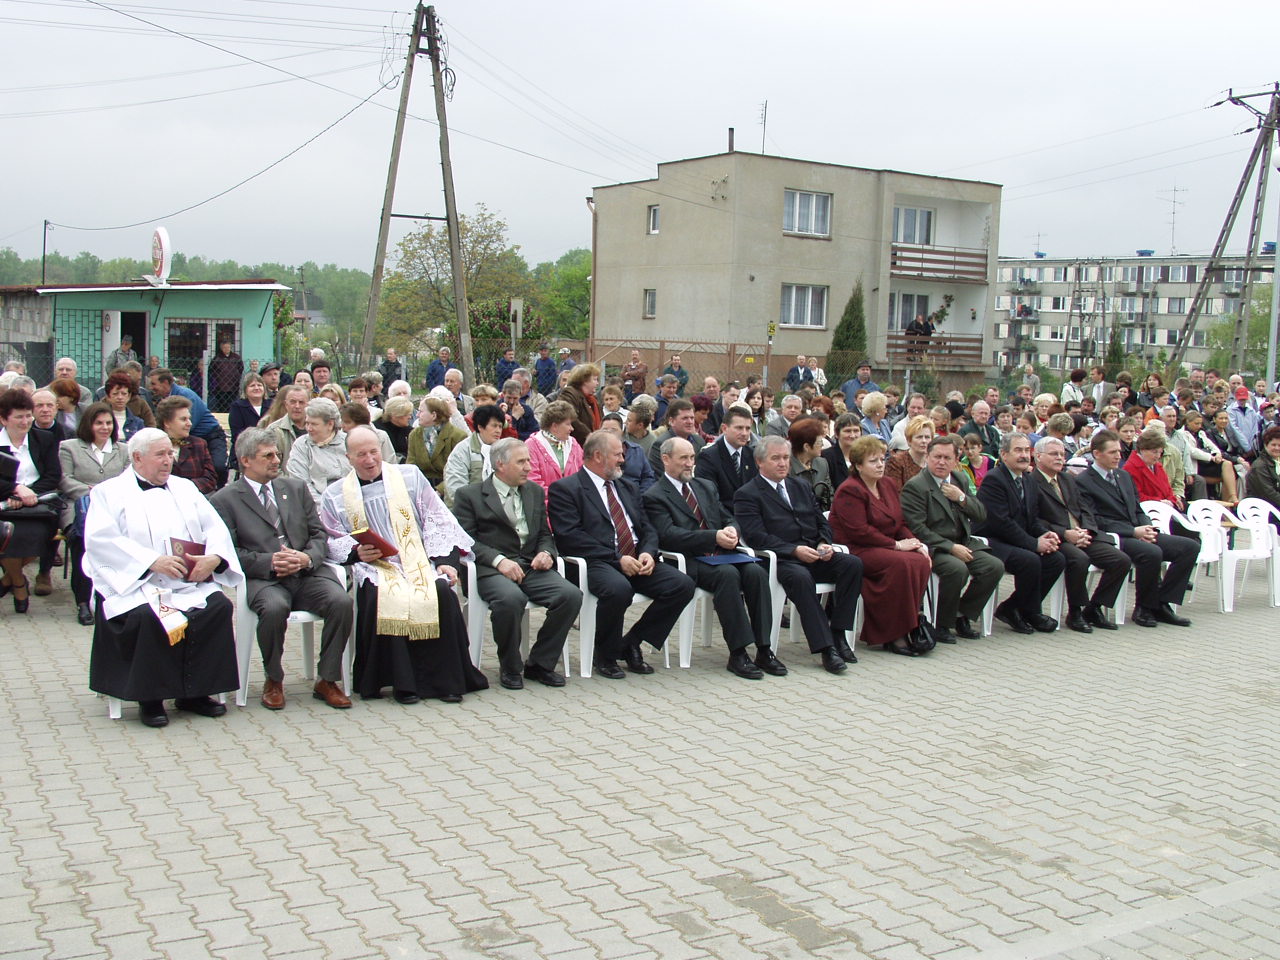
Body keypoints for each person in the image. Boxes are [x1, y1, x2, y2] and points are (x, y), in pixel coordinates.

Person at [84, 428, 242, 727]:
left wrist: (214, 558)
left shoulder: (185, 488)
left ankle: (195, 693)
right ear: (138, 458)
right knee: (146, 617)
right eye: (161, 454)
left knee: (218, 607)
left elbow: (215, 528)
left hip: (185, 582)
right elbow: (100, 540)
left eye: (170, 453)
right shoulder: (109, 492)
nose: (169, 460)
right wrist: (151, 562)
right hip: (138, 584)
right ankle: (150, 698)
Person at [320, 427, 486, 704]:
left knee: (442, 594)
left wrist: (445, 562)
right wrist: (356, 552)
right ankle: (402, 683)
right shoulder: (336, 494)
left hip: (417, 559)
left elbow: (437, 519)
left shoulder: (410, 477)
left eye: (374, 452)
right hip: (376, 566)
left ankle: (446, 681)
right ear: (349, 457)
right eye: (361, 454)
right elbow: (331, 537)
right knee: (382, 596)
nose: (370, 459)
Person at [211, 429, 354, 710]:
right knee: (274, 608)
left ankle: (327, 679)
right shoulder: (224, 500)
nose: (277, 460)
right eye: (268, 456)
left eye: (277, 453)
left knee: (341, 602)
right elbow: (228, 552)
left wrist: (305, 558)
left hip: (307, 574)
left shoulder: (296, 489)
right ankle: (273, 679)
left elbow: (318, 535)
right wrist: (270, 562)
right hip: (266, 580)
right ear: (245, 461)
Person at [547, 430, 696, 679]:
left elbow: (646, 527)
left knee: (682, 585)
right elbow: (570, 537)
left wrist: (648, 552)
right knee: (618, 589)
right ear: (597, 456)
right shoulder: (566, 489)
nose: (622, 460)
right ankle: (605, 655)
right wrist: (617, 558)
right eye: (617, 455)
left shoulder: (626, 486)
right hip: (595, 561)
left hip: (635, 558)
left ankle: (631, 643)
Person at [643, 436, 779, 679]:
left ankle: (764, 648)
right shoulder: (655, 495)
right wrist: (712, 537)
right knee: (727, 576)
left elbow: (728, 517)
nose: (689, 463)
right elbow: (669, 536)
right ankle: (738, 653)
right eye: (683, 458)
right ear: (665, 459)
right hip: (690, 560)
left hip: (723, 554)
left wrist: (731, 531)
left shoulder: (704, 486)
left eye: (692, 457)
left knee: (757, 572)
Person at [452, 438, 581, 690]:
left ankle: (540, 664)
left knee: (570, 595)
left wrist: (546, 553)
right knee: (511, 600)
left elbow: (545, 533)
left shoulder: (532, 491)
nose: (528, 467)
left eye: (529, 461)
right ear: (500, 464)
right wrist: (498, 561)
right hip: (490, 569)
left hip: (529, 565)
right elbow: (465, 542)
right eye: (521, 461)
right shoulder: (470, 495)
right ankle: (510, 667)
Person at [733, 435, 863, 674]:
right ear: (760, 462)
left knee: (852, 564)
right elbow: (755, 536)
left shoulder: (800, 485)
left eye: (785, 458)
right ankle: (826, 649)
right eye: (776, 459)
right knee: (801, 579)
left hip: (813, 551)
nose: (783, 463)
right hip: (779, 559)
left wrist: (824, 543)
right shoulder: (748, 493)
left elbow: (821, 520)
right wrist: (793, 550)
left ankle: (838, 633)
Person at [1075, 429, 1199, 628]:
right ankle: (1144, 607)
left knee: (1189, 547)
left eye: (1119, 451)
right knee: (1151, 552)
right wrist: (1133, 532)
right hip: (1115, 535)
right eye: (1112, 452)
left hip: (1138, 530)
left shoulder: (1123, 476)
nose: (1118, 456)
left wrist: (1147, 526)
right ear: (1097, 454)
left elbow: (1137, 507)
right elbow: (1094, 520)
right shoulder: (1083, 482)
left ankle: (1161, 603)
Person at [829, 436, 932, 655]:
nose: (880, 465)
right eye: (873, 461)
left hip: (884, 546)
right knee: (902, 563)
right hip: (857, 549)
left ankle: (909, 625)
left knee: (920, 559)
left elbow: (899, 522)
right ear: (858, 466)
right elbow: (860, 531)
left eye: (882, 459)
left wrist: (915, 542)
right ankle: (893, 634)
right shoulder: (850, 489)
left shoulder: (887, 484)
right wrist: (896, 545)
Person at [900, 436, 1004, 644]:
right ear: (927, 457)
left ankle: (961, 614)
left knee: (994, 566)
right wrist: (950, 547)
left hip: (963, 541)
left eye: (947, 458)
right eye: (937, 457)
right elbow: (917, 528)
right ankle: (941, 624)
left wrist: (961, 498)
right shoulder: (917, 486)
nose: (941, 462)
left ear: (957, 459)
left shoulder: (959, 479)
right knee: (957, 569)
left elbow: (981, 515)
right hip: (934, 546)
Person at [1031, 437, 1131, 632]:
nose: (1060, 458)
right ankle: (1075, 611)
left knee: (1121, 560)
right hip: (1057, 537)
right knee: (1079, 559)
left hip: (1082, 534)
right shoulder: (1032, 482)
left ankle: (1094, 608)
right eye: (1054, 454)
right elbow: (1034, 519)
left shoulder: (1068, 479)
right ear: (1038, 456)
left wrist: (1086, 531)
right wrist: (1065, 533)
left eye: (1062, 454)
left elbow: (1085, 509)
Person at [974, 433, 1066, 634]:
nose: (1024, 455)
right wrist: (1034, 544)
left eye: (1026, 450)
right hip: (991, 540)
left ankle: (1014, 608)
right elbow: (1001, 523)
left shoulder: (1028, 480)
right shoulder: (994, 480)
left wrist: (1046, 535)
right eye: (1018, 450)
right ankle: (1030, 611)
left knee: (1056, 559)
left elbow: (1031, 520)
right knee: (1030, 559)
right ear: (1004, 455)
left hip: (1014, 538)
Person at [58, 402, 130, 625]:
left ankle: (111, 599)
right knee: (81, 545)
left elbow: (128, 480)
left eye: (109, 423)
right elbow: (64, 479)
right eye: (99, 423)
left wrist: (107, 495)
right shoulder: (69, 447)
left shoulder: (124, 449)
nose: (104, 427)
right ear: (88, 424)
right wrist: (94, 492)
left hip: (115, 509)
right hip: (80, 508)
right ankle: (82, 603)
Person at [0, 388, 63, 608]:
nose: (26, 421)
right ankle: (18, 582)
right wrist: (15, 490)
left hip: (39, 504)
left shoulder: (43, 439)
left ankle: (9, 579)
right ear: (3, 418)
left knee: (38, 537)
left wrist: (32, 494)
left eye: (28, 415)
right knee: (7, 539)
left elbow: (53, 475)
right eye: (19, 416)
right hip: (5, 504)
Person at [147, 368, 228, 486]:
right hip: (187, 438)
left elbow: (189, 426)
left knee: (218, 466)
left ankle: (219, 492)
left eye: (154, 384)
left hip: (211, 436)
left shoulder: (185, 396)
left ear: (165, 383)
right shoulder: (164, 398)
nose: (151, 388)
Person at [285, 397, 349, 502]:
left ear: (330, 424)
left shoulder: (349, 442)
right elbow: (301, 483)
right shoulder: (302, 445)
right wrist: (326, 508)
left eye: (314, 424)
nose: (308, 428)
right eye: (307, 423)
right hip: (318, 507)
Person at [443, 404, 504, 506]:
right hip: (467, 510)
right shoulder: (462, 450)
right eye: (494, 426)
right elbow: (455, 488)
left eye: (500, 426)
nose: (498, 430)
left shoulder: (504, 449)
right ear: (480, 427)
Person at [696, 406, 758, 505]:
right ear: (724, 428)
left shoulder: (752, 455)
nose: (745, 433)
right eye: (739, 428)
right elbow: (710, 500)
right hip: (724, 518)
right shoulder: (708, 457)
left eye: (748, 428)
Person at [155, 396, 217, 495]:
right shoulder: (153, 446)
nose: (190, 423)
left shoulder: (199, 444)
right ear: (167, 422)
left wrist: (185, 488)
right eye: (184, 419)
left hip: (194, 498)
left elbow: (210, 479)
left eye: (189, 419)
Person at [526, 400, 584, 501]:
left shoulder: (573, 443)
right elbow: (532, 481)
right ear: (555, 426)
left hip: (574, 503)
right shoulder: (531, 446)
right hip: (545, 506)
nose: (572, 428)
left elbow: (583, 472)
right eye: (568, 424)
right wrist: (559, 497)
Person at [406, 396, 467, 491]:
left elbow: (458, 471)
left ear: (434, 415)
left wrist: (439, 490)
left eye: (421, 411)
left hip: (448, 487)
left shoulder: (458, 436)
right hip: (421, 486)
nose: (417, 415)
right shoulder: (415, 434)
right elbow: (411, 466)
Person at [1123, 430, 1181, 509]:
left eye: (1160, 452)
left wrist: (1172, 500)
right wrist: (1159, 502)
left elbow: (1168, 490)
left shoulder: (1157, 466)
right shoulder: (1130, 468)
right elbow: (1135, 496)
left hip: (1166, 509)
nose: (1158, 456)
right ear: (1142, 450)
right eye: (1154, 452)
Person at [600, 413, 656, 493]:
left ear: (622, 432)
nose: (609, 433)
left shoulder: (637, 450)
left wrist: (641, 495)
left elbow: (648, 476)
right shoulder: (597, 455)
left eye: (613, 430)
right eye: (605, 430)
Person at [649, 399, 706, 476]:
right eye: (685, 418)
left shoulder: (699, 442)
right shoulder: (661, 445)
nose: (690, 422)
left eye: (692, 418)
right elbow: (661, 476)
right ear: (672, 421)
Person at [788, 418, 833, 513]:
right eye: (819, 442)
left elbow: (828, 496)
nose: (822, 445)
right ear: (806, 447)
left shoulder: (822, 464)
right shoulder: (787, 468)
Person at [227, 372, 268, 473]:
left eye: (259, 385)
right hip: (246, 449)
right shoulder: (237, 406)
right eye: (252, 385)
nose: (256, 388)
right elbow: (237, 433)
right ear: (245, 389)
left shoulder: (272, 405)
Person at [264, 385, 310, 465]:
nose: (297, 406)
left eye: (301, 402)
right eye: (293, 402)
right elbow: (269, 465)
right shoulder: (273, 430)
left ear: (308, 405)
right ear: (286, 404)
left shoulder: (317, 429)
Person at [558, 363, 602, 445]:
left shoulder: (593, 400)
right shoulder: (569, 393)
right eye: (595, 379)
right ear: (584, 380)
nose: (597, 383)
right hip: (576, 444)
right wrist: (588, 435)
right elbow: (569, 416)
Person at [886, 415, 933, 489]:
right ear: (909, 440)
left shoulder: (933, 462)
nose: (924, 441)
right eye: (919, 437)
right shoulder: (897, 462)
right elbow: (894, 494)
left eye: (927, 437)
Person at [1245, 425, 1280, 521]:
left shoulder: (1277, 461)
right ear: (1266, 445)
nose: (1277, 448)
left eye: (1279, 445)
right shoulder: (1260, 466)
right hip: (1262, 509)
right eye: (1273, 445)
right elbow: (1268, 493)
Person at [102, 372, 150, 440]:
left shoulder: (138, 423)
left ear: (129, 396)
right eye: (115, 394)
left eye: (124, 394)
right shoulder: (100, 421)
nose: (120, 397)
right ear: (108, 396)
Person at [822, 413, 861, 489]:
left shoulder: (864, 456)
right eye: (848, 431)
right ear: (836, 434)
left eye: (856, 431)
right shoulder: (827, 457)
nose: (852, 435)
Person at [1228, 386, 1264, 461]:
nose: (1242, 401)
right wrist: (1247, 448)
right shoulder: (1230, 410)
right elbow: (1235, 430)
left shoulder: (1251, 410)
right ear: (1235, 397)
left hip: (1252, 448)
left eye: (1244, 399)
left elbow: (1255, 429)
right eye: (1240, 399)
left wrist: (1253, 447)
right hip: (1238, 448)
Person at [207, 340, 243, 413]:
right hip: (220, 387)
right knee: (222, 404)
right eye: (225, 347)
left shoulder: (236, 358)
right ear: (221, 348)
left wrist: (236, 378)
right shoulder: (217, 358)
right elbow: (211, 371)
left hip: (233, 386)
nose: (227, 349)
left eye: (228, 347)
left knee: (232, 404)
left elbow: (240, 369)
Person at [380, 396, 415, 462]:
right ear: (395, 415)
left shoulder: (410, 431)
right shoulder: (379, 430)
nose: (410, 417)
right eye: (406, 414)